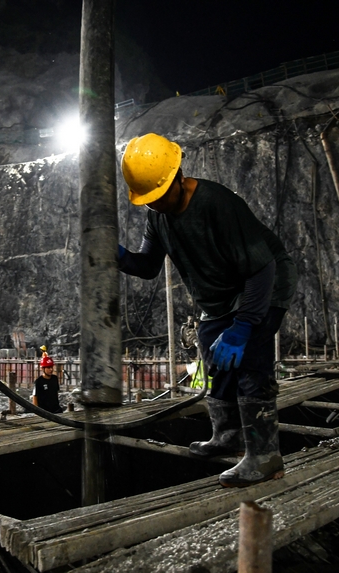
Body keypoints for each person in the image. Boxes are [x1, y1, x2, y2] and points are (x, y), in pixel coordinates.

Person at [118, 133, 297, 488]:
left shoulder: (217, 203)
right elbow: (148, 266)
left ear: (179, 177)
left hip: (263, 283)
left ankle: (264, 457)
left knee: (249, 363)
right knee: (215, 359)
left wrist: (244, 325)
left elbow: (261, 269)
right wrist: (120, 257)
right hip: (217, 298)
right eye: (149, 201)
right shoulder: (158, 216)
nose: (156, 205)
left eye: (160, 196)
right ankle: (228, 436)